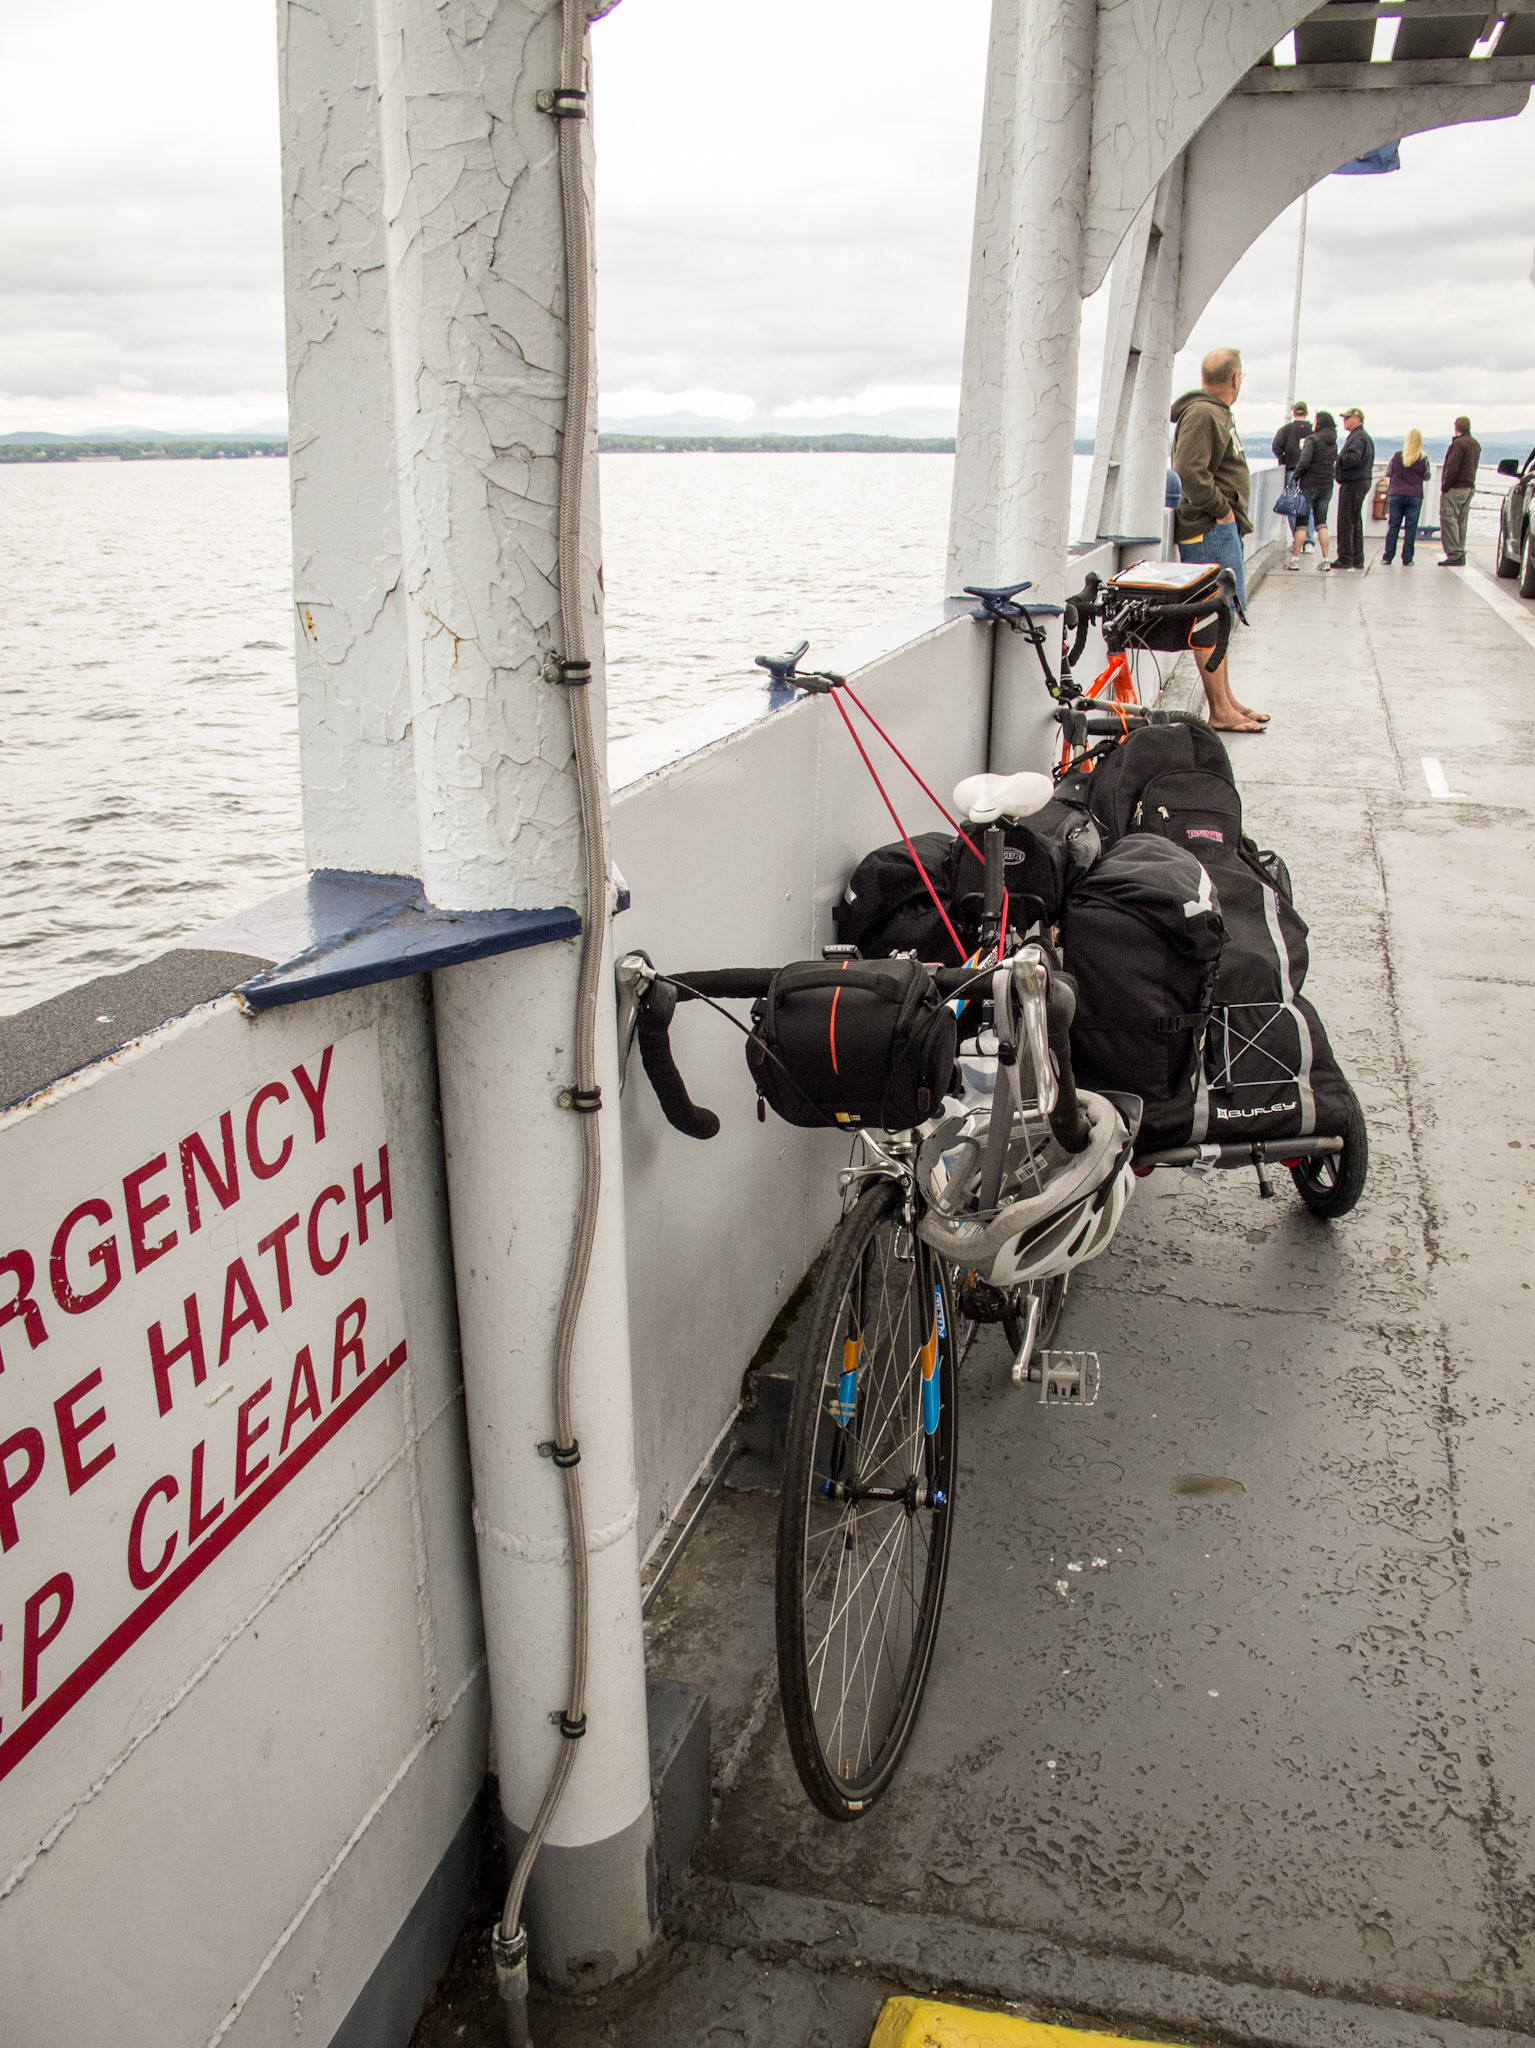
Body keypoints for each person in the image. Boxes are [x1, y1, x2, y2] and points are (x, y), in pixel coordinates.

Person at [1170, 346, 1267, 732]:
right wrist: (1222, 510)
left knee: (1222, 617)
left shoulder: (1214, 412)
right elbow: (1188, 471)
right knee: (1210, 619)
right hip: (1208, 529)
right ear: (1236, 379)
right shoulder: (1204, 413)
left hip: (1218, 528)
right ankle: (1219, 710)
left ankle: (1226, 700)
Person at [1286, 409, 1338, 572]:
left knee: (1302, 523)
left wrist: (1295, 476)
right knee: (1321, 523)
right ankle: (1326, 559)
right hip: (1326, 485)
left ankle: (1295, 560)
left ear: (1319, 423)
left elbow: (1304, 461)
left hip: (1309, 485)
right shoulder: (1333, 442)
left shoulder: (1312, 440)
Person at [1272, 401, 1317, 550]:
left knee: (1292, 505)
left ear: (1293, 412)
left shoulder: (1285, 430)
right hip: (1310, 473)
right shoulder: (1313, 430)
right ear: (1307, 412)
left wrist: (1283, 459)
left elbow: (1276, 447)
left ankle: (1297, 540)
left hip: (1292, 470)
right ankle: (1309, 541)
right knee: (1308, 506)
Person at [1381, 429, 1430, 566]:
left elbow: (1388, 472)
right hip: (1414, 495)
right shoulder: (1423, 458)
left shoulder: (1397, 456)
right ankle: (1407, 558)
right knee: (1411, 527)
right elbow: (1427, 476)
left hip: (1396, 494)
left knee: (1393, 525)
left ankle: (1388, 556)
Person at [1334, 407, 1374, 570]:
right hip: (1360, 481)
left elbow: (1353, 458)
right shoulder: (1362, 437)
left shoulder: (1358, 438)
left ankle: (1346, 557)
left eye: (1347, 418)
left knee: (1346, 520)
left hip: (1353, 482)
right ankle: (1357, 558)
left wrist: (1339, 459)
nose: (1344, 421)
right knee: (1355, 520)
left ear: (1357, 419)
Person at [1438, 415, 1481, 565]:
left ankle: (1454, 553)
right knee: (1461, 522)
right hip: (1469, 487)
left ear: (1456, 427)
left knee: (1449, 520)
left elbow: (1452, 467)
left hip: (1455, 488)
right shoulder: (1475, 444)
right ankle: (1460, 551)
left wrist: (1445, 485)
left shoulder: (1458, 444)